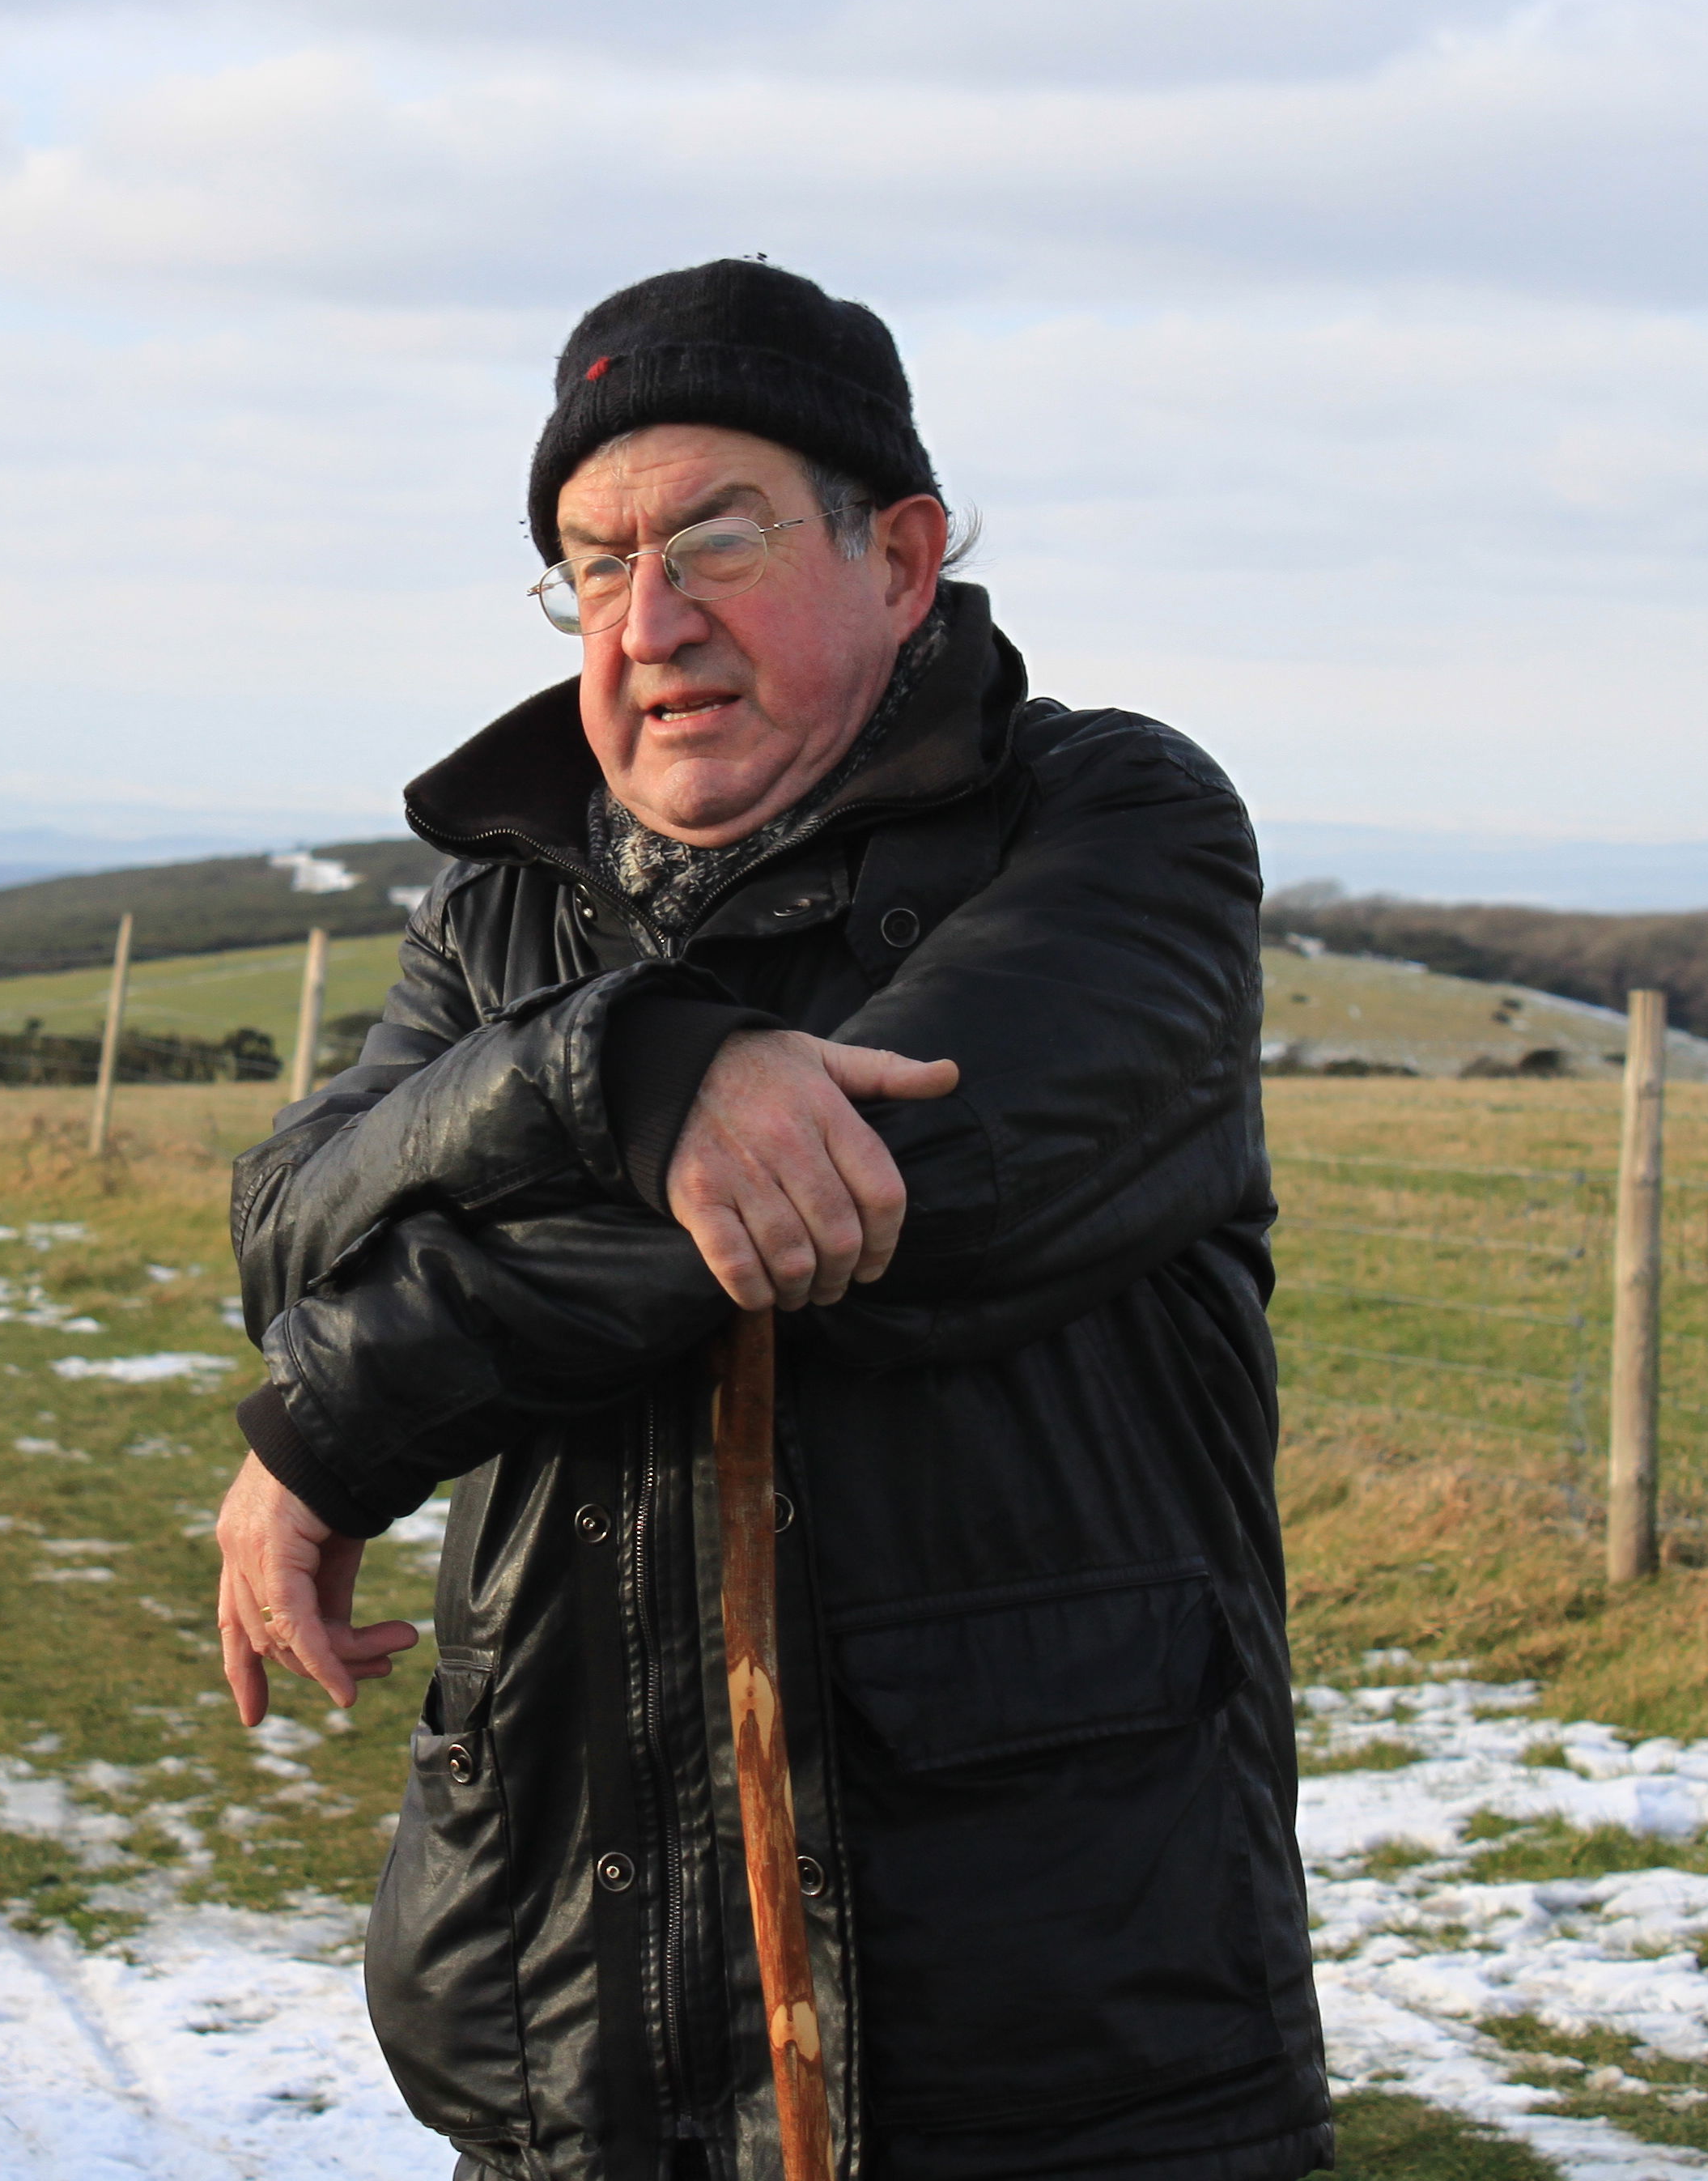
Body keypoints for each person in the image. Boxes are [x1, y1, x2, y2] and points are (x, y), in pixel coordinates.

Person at [215, 259, 1328, 2181]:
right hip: (573, 2030)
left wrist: (340, 1420)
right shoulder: (508, 915)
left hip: (1045, 2053)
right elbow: (294, 1227)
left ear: (899, 559)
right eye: (591, 561)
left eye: (716, 539)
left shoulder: (1110, 827)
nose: (651, 624)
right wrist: (623, 1068)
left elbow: (865, 1209)